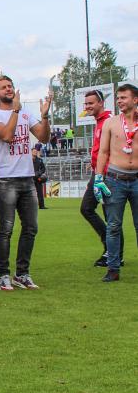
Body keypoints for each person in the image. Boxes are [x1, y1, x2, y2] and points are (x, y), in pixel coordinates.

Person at [0, 76, 51, 290]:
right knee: (6, 228)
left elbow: (43, 137)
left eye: (10, 86)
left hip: (27, 177)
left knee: (31, 227)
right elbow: (6, 136)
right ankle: (3, 274)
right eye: (3, 87)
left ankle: (22, 273)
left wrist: (44, 116)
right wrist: (14, 111)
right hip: (5, 179)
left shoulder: (25, 113)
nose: (9, 89)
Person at [93, 82, 138, 283]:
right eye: (118, 98)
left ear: (135, 100)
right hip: (115, 179)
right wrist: (98, 178)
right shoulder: (111, 123)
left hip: (137, 178)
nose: (120, 101)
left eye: (124, 97)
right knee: (113, 226)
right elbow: (103, 152)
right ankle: (113, 268)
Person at [79, 90, 121, 268]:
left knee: (110, 216)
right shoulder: (100, 121)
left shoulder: (110, 121)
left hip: (107, 175)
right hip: (98, 173)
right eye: (86, 104)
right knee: (87, 209)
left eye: (91, 103)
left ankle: (114, 254)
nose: (87, 106)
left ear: (101, 103)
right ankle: (112, 250)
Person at [32, 145, 47, 209]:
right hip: (30, 179)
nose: (35, 152)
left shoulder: (40, 160)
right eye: (34, 151)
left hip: (38, 179)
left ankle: (42, 206)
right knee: (28, 194)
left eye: (36, 151)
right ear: (31, 152)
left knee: (40, 193)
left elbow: (43, 169)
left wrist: (39, 173)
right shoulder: (28, 160)